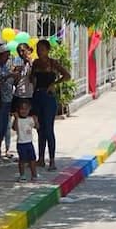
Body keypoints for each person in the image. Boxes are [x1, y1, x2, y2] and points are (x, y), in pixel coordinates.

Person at [29, 39, 70, 171]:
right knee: (40, 129)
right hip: (37, 96)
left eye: (42, 49)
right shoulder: (35, 63)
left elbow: (67, 75)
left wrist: (55, 84)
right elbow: (31, 79)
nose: (40, 52)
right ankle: (40, 158)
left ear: (47, 50)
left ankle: (52, 160)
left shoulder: (53, 63)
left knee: (49, 129)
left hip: (49, 98)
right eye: (38, 49)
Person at [0, 48, 15, 161]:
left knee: (4, 126)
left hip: (7, 99)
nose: (7, 58)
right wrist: (9, 76)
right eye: (6, 55)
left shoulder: (5, 66)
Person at [12, 99, 39, 182]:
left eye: (26, 109)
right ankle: (22, 175)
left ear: (29, 109)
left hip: (29, 142)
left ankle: (34, 175)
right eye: (22, 109)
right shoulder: (18, 120)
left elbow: (37, 127)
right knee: (22, 160)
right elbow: (15, 128)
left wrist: (36, 121)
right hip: (21, 143)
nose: (24, 111)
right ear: (18, 110)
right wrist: (16, 118)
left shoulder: (30, 119)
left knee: (32, 159)